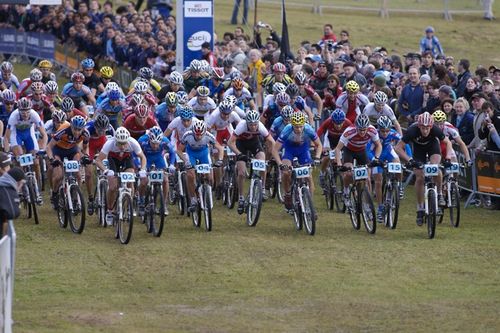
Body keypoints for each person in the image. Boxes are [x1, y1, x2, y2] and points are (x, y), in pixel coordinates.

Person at [395, 112, 454, 226]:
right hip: (418, 151)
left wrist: (447, 157)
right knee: (420, 177)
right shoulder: (412, 130)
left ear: (431, 126)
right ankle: (420, 208)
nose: (425, 131)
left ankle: (440, 194)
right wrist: (410, 160)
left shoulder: (435, 129)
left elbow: (448, 143)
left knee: (435, 168)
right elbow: (398, 148)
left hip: (432, 147)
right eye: (422, 128)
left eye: (427, 128)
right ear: (419, 126)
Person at [272, 112, 322, 213]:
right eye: (296, 127)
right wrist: (280, 164)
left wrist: (317, 157)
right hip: (289, 148)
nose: (298, 129)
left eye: (300, 126)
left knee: (309, 177)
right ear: (292, 125)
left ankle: (310, 206)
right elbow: (274, 150)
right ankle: (288, 194)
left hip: (303, 149)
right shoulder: (287, 130)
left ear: (304, 124)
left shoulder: (308, 129)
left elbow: (319, 145)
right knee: (286, 173)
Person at [227, 110, 275, 213]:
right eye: (251, 125)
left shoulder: (261, 126)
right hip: (241, 145)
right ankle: (240, 197)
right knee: (242, 173)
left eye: (255, 124)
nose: (253, 127)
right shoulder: (241, 126)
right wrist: (239, 154)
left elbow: (272, 141)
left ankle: (262, 189)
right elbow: (230, 143)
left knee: (262, 163)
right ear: (247, 123)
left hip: (254, 143)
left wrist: (270, 155)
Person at [0, 167, 24, 238]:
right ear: (17, 181)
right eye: (22, 182)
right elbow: (12, 213)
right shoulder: (6, 189)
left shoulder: (2, 182)